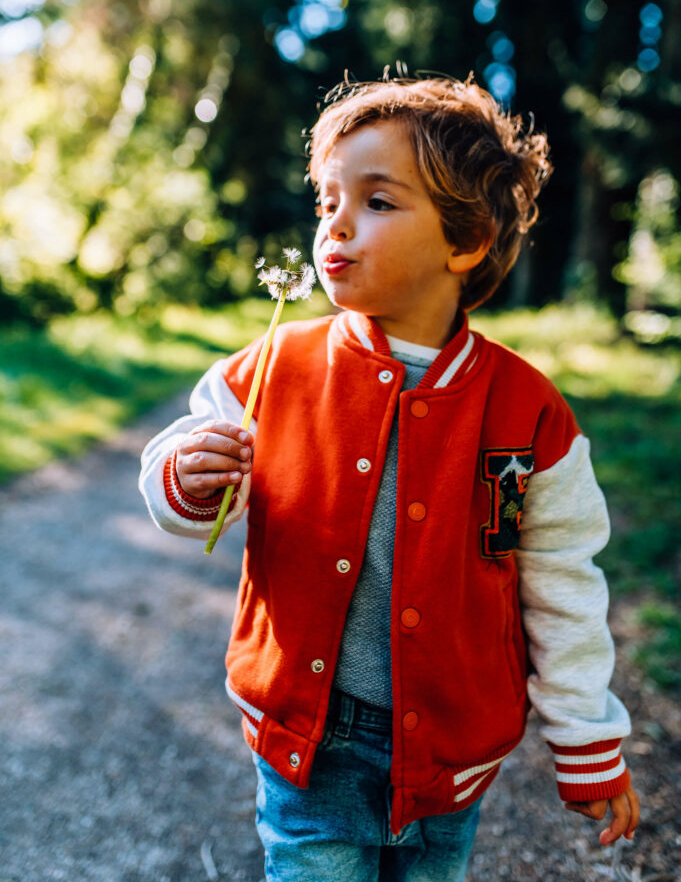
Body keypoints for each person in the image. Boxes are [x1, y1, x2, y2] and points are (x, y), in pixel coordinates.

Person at [139, 72, 640, 882]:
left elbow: (560, 580)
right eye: (326, 201)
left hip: (451, 754)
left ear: (465, 239)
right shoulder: (271, 368)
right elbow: (185, 499)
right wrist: (186, 477)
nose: (335, 225)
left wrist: (585, 738)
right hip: (308, 746)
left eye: (376, 202)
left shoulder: (528, 413)